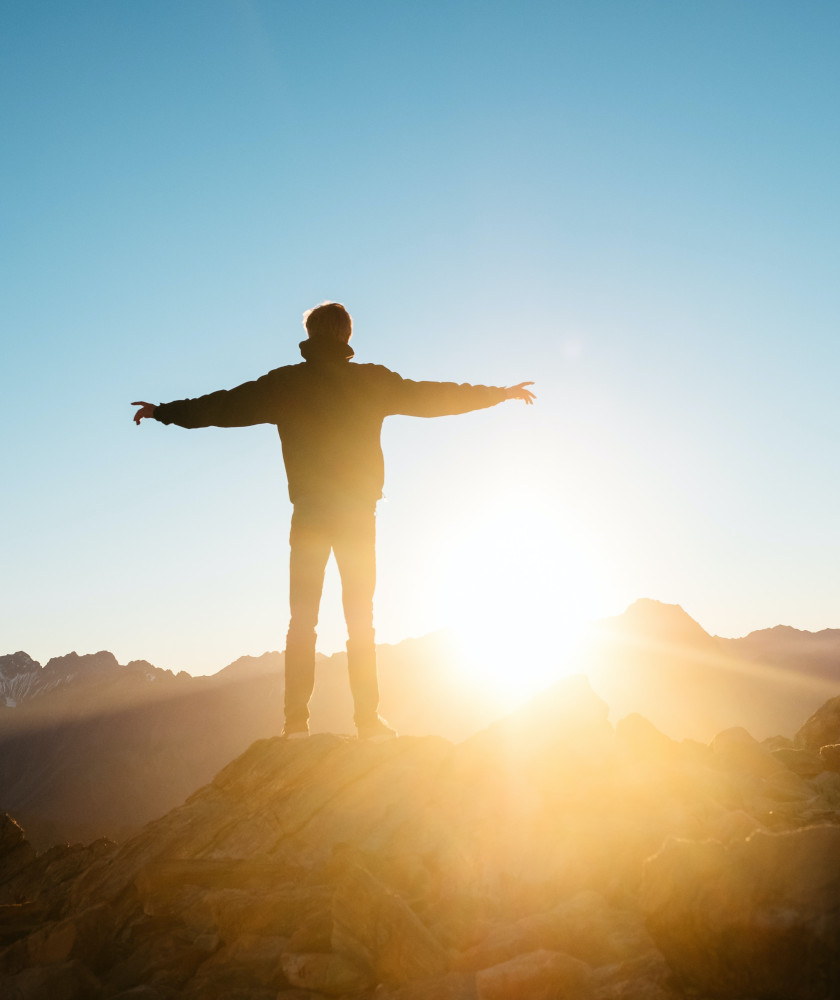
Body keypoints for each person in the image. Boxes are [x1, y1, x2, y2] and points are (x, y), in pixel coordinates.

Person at [133, 302, 535, 740]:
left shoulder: (286, 383)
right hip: (358, 514)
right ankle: (367, 722)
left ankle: (294, 724)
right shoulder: (371, 382)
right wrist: (500, 393)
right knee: (361, 616)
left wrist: (164, 411)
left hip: (309, 514)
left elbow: (223, 406)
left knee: (302, 619)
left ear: (310, 333)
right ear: (346, 336)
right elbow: (436, 396)